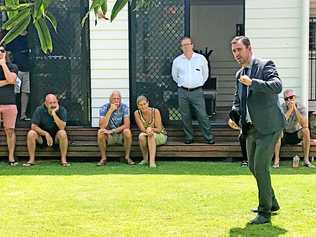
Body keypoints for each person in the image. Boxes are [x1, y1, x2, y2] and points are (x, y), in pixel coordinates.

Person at [231, 36, 285, 224]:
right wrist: (234, 115)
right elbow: (238, 100)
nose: (236, 54)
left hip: (269, 126)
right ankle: (272, 202)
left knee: (261, 167)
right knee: (253, 167)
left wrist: (252, 82)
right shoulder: (239, 74)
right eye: (234, 51)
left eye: (239, 49)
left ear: (249, 49)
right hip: (251, 128)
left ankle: (264, 213)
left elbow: (277, 86)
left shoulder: (265, 65)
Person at [171, 36, 214, 144]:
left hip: (197, 91)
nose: (186, 47)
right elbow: (175, 76)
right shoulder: (177, 61)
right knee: (185, 116)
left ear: (192, 45)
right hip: (183, 92)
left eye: (188, 44)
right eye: (183, 45)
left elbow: (205, 75)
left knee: (202, 115)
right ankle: (189, 138)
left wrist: (197, 84)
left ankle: (209, 138)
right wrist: (184, 84)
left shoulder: (201, 59)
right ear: (181, 47)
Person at [24, 94, 69, 166]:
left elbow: (62, 127)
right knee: (31, 133)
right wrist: (46, 134)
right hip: (42, 137)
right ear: (45, 103)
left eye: (54, 102)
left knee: (62, 133)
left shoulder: (62, 110)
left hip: (56, 138)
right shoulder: (39, 109)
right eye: (50, 103)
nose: (53, 105)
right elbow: (33, 126)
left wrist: (54, 114)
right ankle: (31, 160)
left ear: (57, 101)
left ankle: (63, 160)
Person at [273, 89, 314, 168]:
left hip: (296, 134)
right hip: (284, 135)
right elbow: (280, 123)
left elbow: (304, 124)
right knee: (278, 130)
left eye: (291, 97)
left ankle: (306, 160)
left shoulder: (301, 107)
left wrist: (294, 109)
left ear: (294, 98)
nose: (289, 100)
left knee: (306, 130)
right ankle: (276, 160)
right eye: (286, 99)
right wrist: (290, 110)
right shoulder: (282, 107)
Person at [97, 90, 134, 166]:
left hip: (120, 135)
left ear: (120, 99)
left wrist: (112, 131)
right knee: (100, 132)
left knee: (127, 131)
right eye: (114, 98)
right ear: (110, 99)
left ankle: (127, 157)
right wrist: (110, 111)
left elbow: (127, 125)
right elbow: (102, 126)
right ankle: (103, 158)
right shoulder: (104, 108)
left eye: (118, 98)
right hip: (109, 136)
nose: (116, 100)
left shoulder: (124, 107)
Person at [134, 95, 167, 168]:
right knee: (141, 136)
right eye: (140, 105)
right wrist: (148, 130)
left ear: (148, 103)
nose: (143, 106)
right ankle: (145, 159)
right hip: (147, 133)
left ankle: (152, 162)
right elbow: (142, 129)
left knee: (151, 135)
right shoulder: (137, 113)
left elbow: (159, 129)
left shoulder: (155, 111)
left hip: (160, 135)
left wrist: (150, 129)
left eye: (144, 104)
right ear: (138, 106)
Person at [0, 45, 18, 166]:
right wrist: (7, 81)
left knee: (10, 131)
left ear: (6, 53)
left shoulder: (13, 67)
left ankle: (11, 157)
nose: (0, 53)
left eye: (1, 51)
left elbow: (12, 80)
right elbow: (10, 81)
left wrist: (3, 64)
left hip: (10, 105)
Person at [6, 31, 31, 120]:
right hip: (16, 69)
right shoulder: (14, 36)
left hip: (27, 69)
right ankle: (14, 114)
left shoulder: (31, 37)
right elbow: (8, 52)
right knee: (15, 92)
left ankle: (23, 115)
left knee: (25, 92)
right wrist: (11, 66)